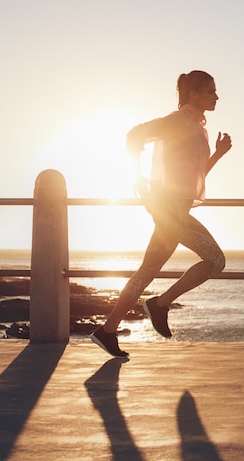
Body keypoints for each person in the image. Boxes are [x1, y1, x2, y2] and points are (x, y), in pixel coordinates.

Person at [91, 70, 233, 358]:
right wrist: (136, 176)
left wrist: (218, 153)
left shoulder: (196, 127)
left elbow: (196, 175)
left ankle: (107, 331)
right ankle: (160, 304)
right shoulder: (178, 121)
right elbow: (135, 135)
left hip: (175, 208)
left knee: (147, 270)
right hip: (169, 209)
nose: (216, 96)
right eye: (210, 91)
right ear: (192, 94)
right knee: (216, 260)